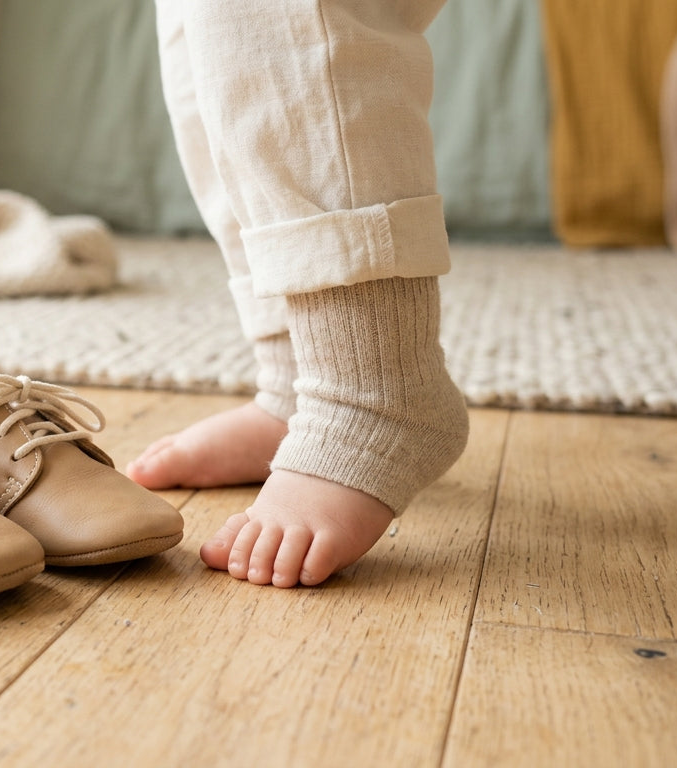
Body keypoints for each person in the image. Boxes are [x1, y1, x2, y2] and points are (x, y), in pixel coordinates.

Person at [127, 0, 469, 588]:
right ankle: (296, 375)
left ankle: (373, 388)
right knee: (209, 47)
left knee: (286, 18)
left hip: (378, 390)